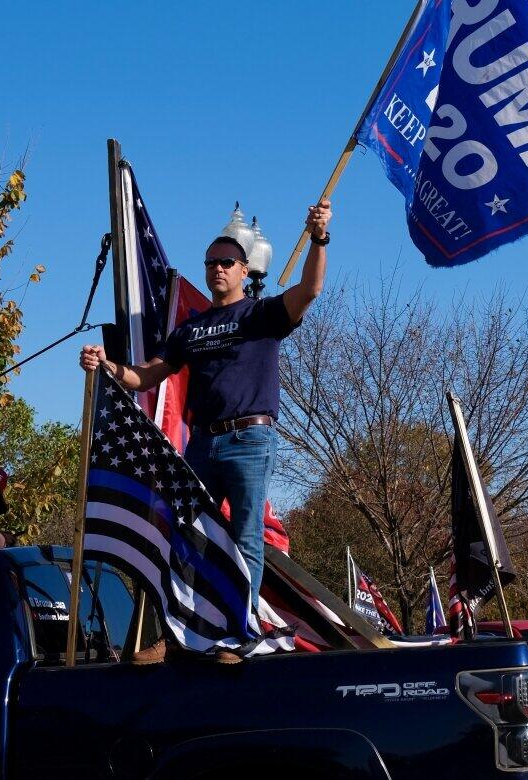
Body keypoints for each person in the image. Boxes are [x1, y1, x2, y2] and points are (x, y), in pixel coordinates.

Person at [80, 201, 332, 664]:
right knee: (186, 535)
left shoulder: (262, 314)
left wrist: (318, 238)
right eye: (211, 262)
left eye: (227, 262)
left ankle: (239, 634)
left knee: (246, 537)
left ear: (243, 270)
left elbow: (310, 289)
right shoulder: (190, 329)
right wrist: (108, 366)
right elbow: (144, 377)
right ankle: (178, 637)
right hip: (202, 443)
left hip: (250, 439)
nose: (218, 268)